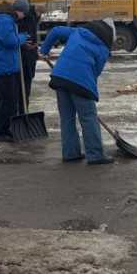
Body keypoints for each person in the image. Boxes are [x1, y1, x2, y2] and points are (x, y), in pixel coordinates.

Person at [40, 20, 114, 165]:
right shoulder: (103, 49)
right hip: (81, 82)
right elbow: (95, 73)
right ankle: (95, 155)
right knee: (88, 118)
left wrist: (44, 50)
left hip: (60, 77)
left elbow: (55, 31)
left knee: (67, 118)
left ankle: (70, 153)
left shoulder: (78, 32)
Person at [0, 0, 32, 142]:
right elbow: (10, 42)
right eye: (24, 13)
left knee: (8, 102)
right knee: (8, 102)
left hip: (6, 65)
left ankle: (5, 130)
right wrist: (22, 37)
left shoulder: (5, 20)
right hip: (5, 66)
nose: (24, 16)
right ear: (19, 11)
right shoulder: (5, 21)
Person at [15, 0, 41, 101]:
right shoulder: (16, 18)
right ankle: (22, 107)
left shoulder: (30, 17)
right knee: (20, 86)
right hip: (20, 56)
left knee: (25, 85)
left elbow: (30, 37)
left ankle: (23, 107)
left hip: (27, 56)